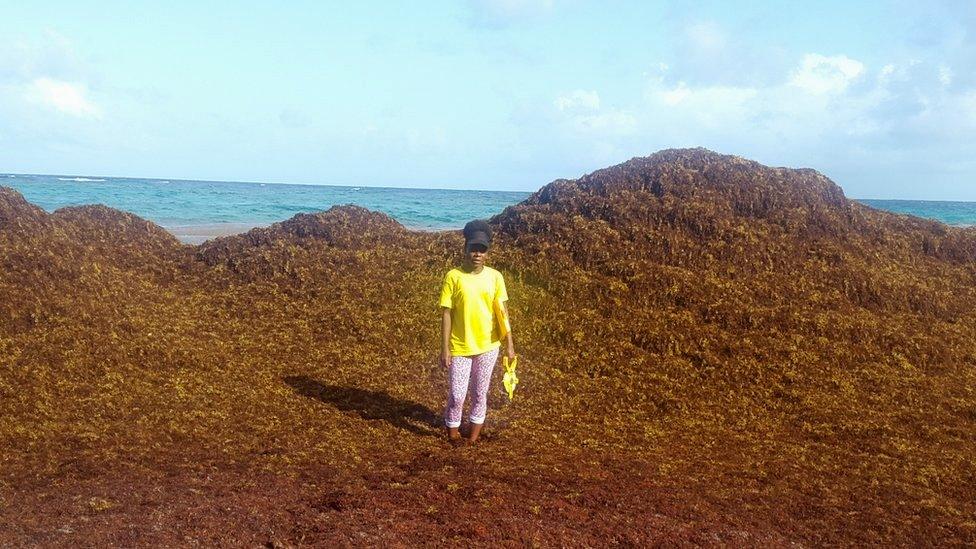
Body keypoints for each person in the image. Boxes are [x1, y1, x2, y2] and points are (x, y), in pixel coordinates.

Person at [438, 219, 516, 444]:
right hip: (460, 347)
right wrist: (445, 349)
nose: (477, 254)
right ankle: (452, 436)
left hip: (488, 346)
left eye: (482, 250)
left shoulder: (495, 277)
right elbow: (446, 314)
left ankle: (472, 439)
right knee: (457, 396)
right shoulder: (453, 276)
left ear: (487, 253)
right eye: (473, 249)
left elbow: (502, 312)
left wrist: (509, 344)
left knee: (480, 394)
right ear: (465, 250)